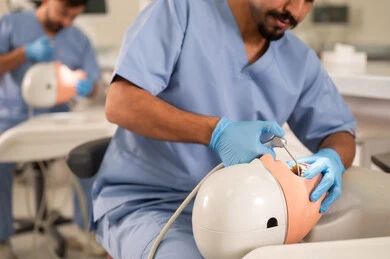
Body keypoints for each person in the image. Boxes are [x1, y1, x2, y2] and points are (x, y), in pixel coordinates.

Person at [92, 0, 357, 258]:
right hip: (153, 202)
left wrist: (332, 158)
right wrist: (216, 132)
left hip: (243, 210)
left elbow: (339, 132)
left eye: (308, 1)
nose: (296, 11)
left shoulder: (299, 61)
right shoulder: (180, 11)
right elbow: (120, 103)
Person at [0, 0, 105, 258]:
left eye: (74, 17)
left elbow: (95, 85)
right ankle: (2, 239)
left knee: (91, 156)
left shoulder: (78, 39)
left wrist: (88, 87)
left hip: (58, 117)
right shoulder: (12, 24)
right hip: (10, 116)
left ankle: (86, 230)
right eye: (63, 13)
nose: (67, 22)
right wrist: (24, 53)